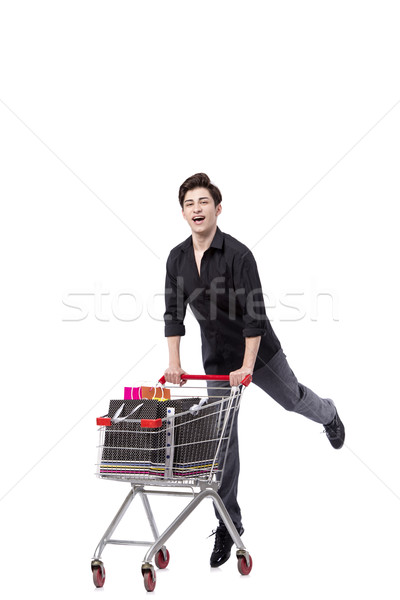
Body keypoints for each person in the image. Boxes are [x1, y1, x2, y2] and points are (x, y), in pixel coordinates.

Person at [163, 173, 345, 568]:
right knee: (222, 440)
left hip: (258, 354)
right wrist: (175, 362)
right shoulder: (176, 258)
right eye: (190, 204)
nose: (197, 209)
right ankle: (229, 525)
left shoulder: (239, 256)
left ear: (218, 208)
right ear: (182, 212)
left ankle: (329, 414)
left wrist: (247, 367)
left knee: (292, 399)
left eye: (204, 203)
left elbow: (254, 318)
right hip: (216, 362)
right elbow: (173, 314)